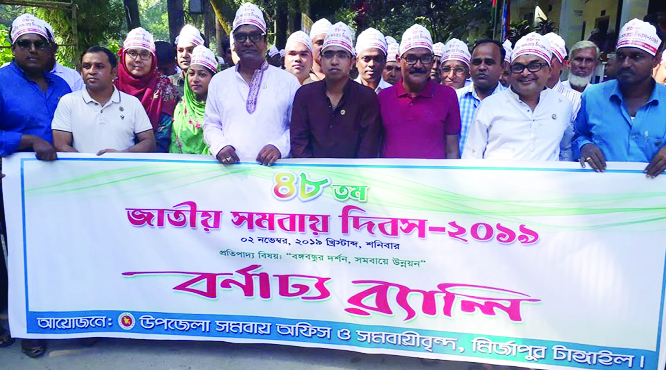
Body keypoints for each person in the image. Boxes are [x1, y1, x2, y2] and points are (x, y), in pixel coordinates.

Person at [0, 13, 72, 358]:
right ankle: (29, 326)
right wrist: (25, 139)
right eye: (23, 44)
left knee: (56, 251)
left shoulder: (62, 86)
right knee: (21, 256)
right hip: (15, 186)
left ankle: (66, 317)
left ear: (50, 49)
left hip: (59, 186)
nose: (31, 50)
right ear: (13, 48)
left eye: (38, 44)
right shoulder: (1, 81)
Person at [203, 3, 300, 166]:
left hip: (276, 176)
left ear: (265, 41)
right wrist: (220, 146)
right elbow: (210, 124)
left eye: (254, 36)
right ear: (234, 43)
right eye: (241, 37)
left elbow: (298, 128)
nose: (248, 42)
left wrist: (279, 147)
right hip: (231, 173)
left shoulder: (288, 82)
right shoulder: (219, 82)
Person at [574, 19, 666, 177]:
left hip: (655, 198)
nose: (625, 64)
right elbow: (578, 135)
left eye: (636, 57)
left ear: (656, 60)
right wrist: (585, 146)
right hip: (601, 195)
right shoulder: (593, 96)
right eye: (621, 56)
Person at [463, 32, 573, 161]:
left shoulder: (562, 105)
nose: (525, 73)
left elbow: (566, 151)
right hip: (495, 181)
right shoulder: (489, 106)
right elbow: (471, 156)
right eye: (518, 67)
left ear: (549, 70)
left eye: (534, 66)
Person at [291, 22, 382, 158]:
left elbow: (368, 149)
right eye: (328, 54)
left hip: (355, 176)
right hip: (312, 175)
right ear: (321, 60)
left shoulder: (366, 97)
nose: (334, 61)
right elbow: (299, 144)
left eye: (341, 55)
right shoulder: (305, 95)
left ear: (352, 62)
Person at [52, 46, 155, 155]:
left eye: (99, 66)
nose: (92, 71)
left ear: (114, 72)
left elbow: (149, 142)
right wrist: (90, 163)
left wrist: (122, 155)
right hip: (82, 170)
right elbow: (60, 144)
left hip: (123, 170)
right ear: (81, 71)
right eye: (86, 66)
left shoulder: (132, 103)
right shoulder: (68, 102)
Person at [379, 24, 461, 159]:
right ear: (399, 60)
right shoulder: (384, 97)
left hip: (433, 179)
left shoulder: (448, 96)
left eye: (425, 58)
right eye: (411, 58)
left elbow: (452, 150)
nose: (418, 65)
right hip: (391, 179)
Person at [115, 27, 178, 153]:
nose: (138, 59)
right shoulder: (111, 86)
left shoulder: (164, 88)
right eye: (132, 53)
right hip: (111, 157)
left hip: (152, 161)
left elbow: (163, 136)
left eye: (144, 54)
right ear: (123, 55)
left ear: (153, 59)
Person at [457, 39, 506, 156]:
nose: (482, 67)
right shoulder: (454, 99)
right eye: (477, 62)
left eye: (489, 62)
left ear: (503, 67)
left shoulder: (513, 103)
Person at [170, 45, 218, 154]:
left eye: (202, 74)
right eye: (191, 73)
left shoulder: (220, 108)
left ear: (213, 78)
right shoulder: (181, 107)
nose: (195, 79)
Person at [544, 32, 580, 161]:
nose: (544, 61)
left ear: (564, 64)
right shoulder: (523, 97)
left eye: (550, 56)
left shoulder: (576, 100)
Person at [171, 25, 205, 98]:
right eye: (180, 50)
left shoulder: (211, 82)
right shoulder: (169, 83)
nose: (184, 55)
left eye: (190, 50)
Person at [355, 28, 391, 93]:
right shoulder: (345, 92)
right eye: (366, 58)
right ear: (356, 61)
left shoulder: (393, 94)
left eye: (377, 59)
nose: (372, 64)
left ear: (385, 61)